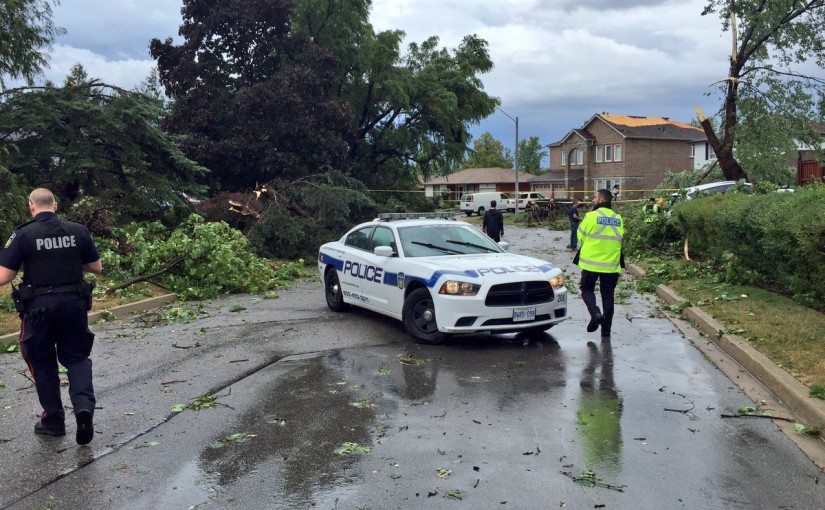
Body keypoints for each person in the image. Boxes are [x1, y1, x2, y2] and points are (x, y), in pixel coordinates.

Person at [0, 188, 103, 445]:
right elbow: (96, 268)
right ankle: (83, 409)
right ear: (55, 206)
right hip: (74, 304)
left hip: (38, 310)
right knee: (77, 357)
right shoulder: (78, 230)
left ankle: (54, 421)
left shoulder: (23, 234)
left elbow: (4, 277)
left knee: (42, 361)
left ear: (31, 207)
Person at [576, 189, 624, 341]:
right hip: (611, 265)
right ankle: (606, 330)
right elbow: (620, 239)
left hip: (591, 264)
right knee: (608, 296)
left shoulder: (591, 216)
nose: (593, 199)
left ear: (601, 199)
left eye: (595, 197)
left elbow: (580, 236)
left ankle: (595, 313)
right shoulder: (618, 218)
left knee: (586, 290)